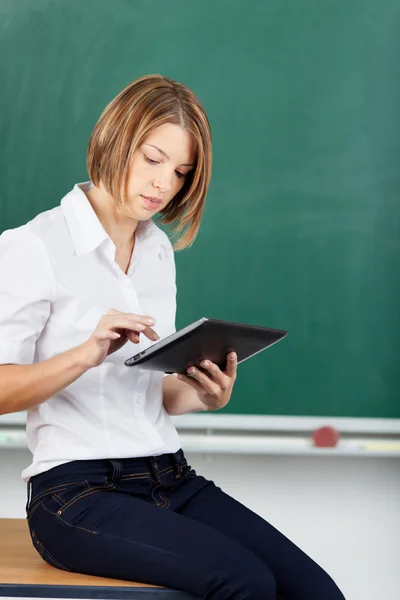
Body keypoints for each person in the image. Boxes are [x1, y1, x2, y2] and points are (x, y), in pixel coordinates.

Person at [0, 74, 345, 600]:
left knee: (316, 593)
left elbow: (146, 392)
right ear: (114, 140)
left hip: (169, 477)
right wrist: (84, 354)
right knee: (245, 583)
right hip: (75, 494)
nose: (165, 184)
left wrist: (203, 394)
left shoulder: (157, 250)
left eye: (181, 172)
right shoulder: (32, 246)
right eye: (153, 159)